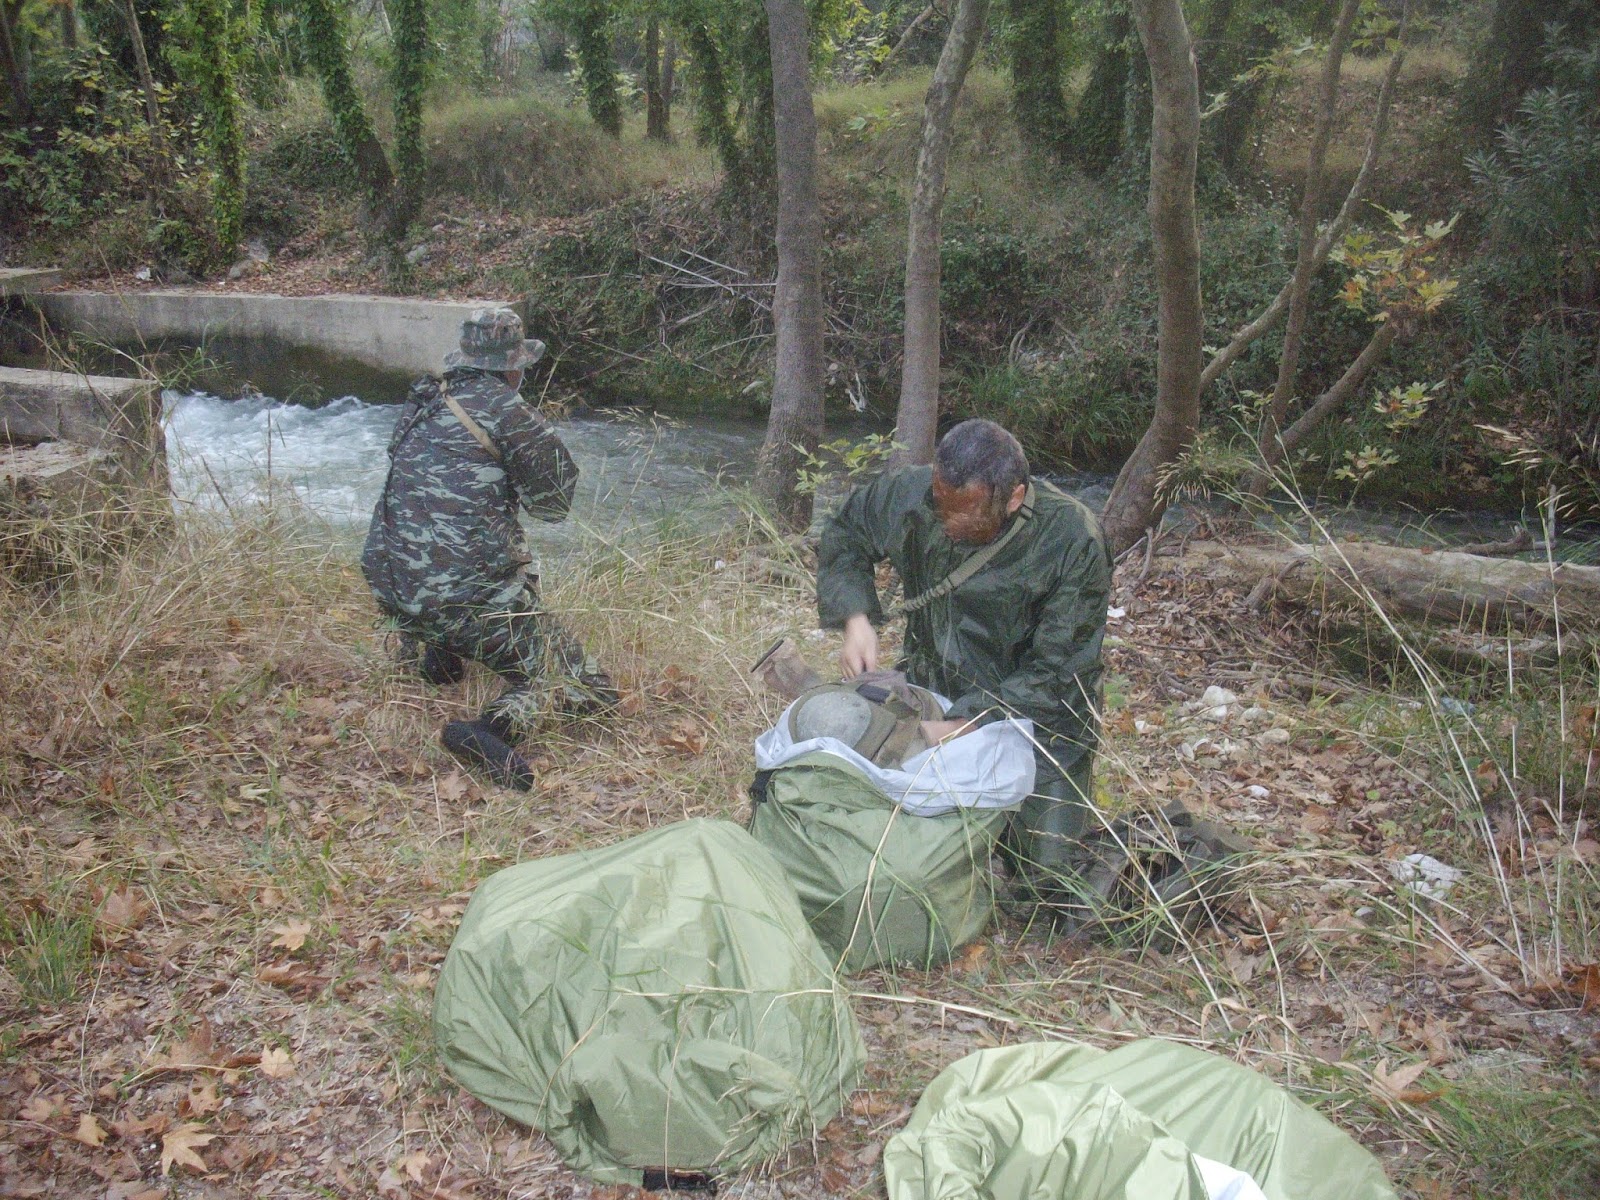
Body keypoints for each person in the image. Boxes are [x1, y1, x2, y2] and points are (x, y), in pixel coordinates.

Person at [815, 418, 1111, 907]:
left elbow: (1058, 671)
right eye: (940, 504)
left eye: (964, 514)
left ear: (1013, 498)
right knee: (895, 862)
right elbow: (846, 528)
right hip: (933, 689)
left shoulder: (1072, 539)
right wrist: (856, 618)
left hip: (1039, 723)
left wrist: (957, 726)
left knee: (1046, 887)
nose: (946, 522)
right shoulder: (916, 495)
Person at [363, 307, 616, 791]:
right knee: (585, 688)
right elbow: (552, 506)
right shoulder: (512, 413)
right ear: (513, 367)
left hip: (391, 586)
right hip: (461, 598)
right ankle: (488, 730)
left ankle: (432, 648)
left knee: (442, 553)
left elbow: (410, 488)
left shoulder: (422, 400)